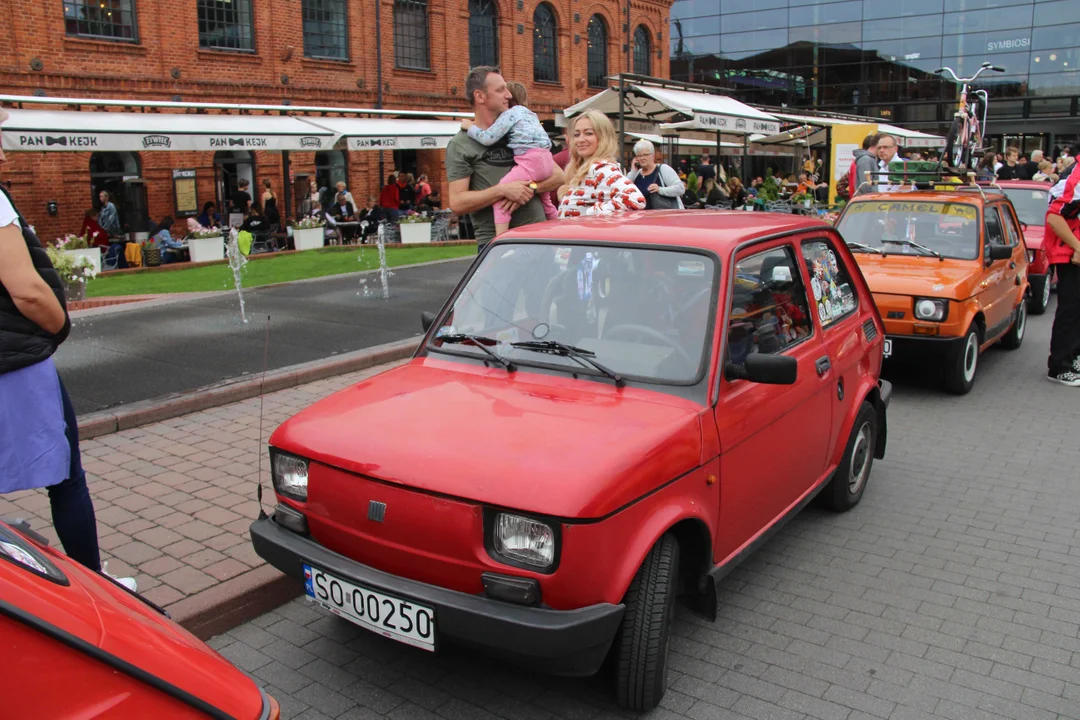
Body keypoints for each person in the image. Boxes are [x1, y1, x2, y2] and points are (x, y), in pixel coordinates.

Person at [0, 109, 135, 590]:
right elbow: (26, 290)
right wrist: (58, 327)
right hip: (15, 363)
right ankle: (97, 590)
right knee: (66, 477)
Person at [447, 66, 564, 252]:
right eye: (500, 90)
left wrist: (529, 189)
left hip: (539, 237)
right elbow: (457, 203)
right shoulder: (461, 144)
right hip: (498, 247)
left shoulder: (518, 132)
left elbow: (559, 177)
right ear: (480, 96)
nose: (509, 95)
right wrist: (502, 190)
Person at [557, 110, 646, 218]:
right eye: (576, 134)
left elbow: (635, 199)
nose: (580, 139)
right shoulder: (586, 168)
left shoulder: (601, 167)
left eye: (588, 133)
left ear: (603, 137)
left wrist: (592, 214)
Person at [1043, 162, 1080, 386]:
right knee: (1071, 310)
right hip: (1069, 254)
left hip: (1073, 250)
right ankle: (1059, 367)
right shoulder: (1076, 177)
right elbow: (1054, 216)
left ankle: (1073, 357)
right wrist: (1077, 247)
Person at [627, 139, 686, 210]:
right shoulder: (636, 174)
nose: (642, 158)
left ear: (653, 155)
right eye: (639, 156)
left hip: (665, 217)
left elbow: (680, 188)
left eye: (645, 155)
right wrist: (633, 171)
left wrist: (660, 190)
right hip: (643, 218)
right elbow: (625, 189)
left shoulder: (663, 169)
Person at [849, 133, 880, 197]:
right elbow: (865, 186)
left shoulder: (868, 159)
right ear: (875, 145)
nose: (882, 150)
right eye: (881, 146)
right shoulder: (865, 160)